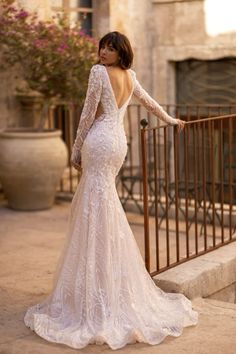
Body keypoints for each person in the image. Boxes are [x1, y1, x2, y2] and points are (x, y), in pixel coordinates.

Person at [24, 31, 197, 350]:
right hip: (118, 144)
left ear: (121, 52)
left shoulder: (97, 73)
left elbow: (88, 113)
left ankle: (95, 285)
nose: (103, 52)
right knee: (104, 205)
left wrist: (75, 149)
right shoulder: (130, 76)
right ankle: (107, 279)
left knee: (94, 205)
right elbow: (148, 102)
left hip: (100, 143)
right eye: (102, 46)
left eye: (110, 48)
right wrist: (171, 120)